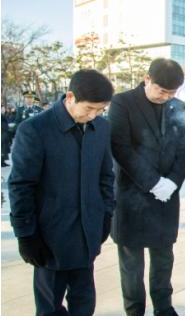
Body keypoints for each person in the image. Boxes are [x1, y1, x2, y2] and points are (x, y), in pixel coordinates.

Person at [8, 69, 115, 315]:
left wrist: (106, 213)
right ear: (70, 97)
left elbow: (106, 176)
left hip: (87, 234)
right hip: (50, 238)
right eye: (89, 108)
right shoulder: (35, 129)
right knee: (50, 307)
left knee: (84, 303)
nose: (93, 115)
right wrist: (26, 234)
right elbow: (21, 185)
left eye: (100, 110)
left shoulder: (101, 127)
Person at [109, 58, 185, 316]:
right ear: (147, 80)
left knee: (164, 257)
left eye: (172, 92)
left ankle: (164, 307)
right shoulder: (122, 102)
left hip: (167, 196)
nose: (167, 97)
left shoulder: (179, 106)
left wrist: (173, 182)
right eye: (162, 91)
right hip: (132, 194)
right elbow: (121, 148)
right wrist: (153, 182)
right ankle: (135, 310)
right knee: (132, 263)